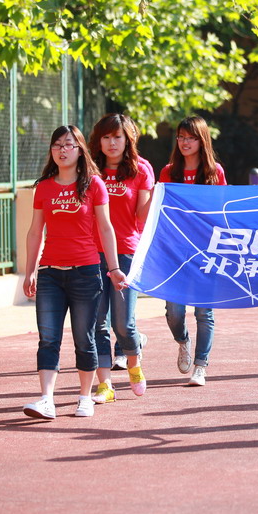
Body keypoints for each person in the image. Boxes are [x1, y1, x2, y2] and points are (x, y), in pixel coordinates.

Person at [21, 125, 127, 420]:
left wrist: (114, 268)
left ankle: (84, 397)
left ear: (80, 150)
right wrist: (30, 272)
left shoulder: (94, 185)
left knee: (85, 337)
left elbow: (105, 228)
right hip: (50, 274)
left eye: (68, 145)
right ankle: (46, 400)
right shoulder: (44, 187)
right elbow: (35, 232)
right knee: (48, 338)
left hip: (86, 273)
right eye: (57, 145)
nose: (62, 150)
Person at [86, 113, 155, 405]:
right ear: (98, 140)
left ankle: (134, 362)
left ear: (128, 139)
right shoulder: (89, 169)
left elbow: (141, 216)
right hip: (91, 253)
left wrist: (157, 194)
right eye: (106, 137)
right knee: (97, 323)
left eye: (117, 137)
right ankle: (105, 385)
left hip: (126, 252)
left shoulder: (141, 169)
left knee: (123, 324)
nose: (112, 143)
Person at [159, 115, 227, 386]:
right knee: (174, 311)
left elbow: (222, 211)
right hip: (175, 252)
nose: (185, 142)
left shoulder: (214, 172)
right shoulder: (168, 172)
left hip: (207, 250)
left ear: (202, 140)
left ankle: (201, 366)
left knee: (204, 312)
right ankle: (183, 341)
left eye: (191, 138)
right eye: (181, 137)